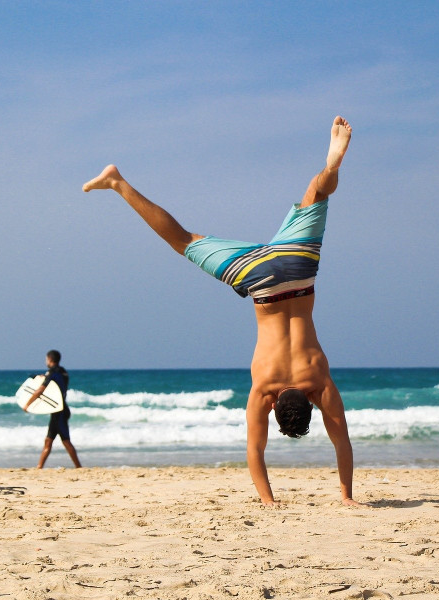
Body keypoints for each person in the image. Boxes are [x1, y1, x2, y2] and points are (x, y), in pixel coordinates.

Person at [82, 116, 361, 506]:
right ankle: (117, 182)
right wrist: (269, 500)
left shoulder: (319, 382)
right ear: (275, 407)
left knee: (318, 193)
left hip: (297, 268)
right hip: (259, 283)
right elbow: (256, 451)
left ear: (309, 403)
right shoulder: (265, 389)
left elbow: (343, 442)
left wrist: (348, 495)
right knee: (183, 240)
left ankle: (330, 167)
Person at [22, 349, 82, 469]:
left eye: (46, 359)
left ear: (49, 359)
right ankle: (39, 467)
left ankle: (79, 467)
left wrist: (28, 404)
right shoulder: (63, 372)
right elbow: (56, 384)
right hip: (60, 410)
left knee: (65, 440)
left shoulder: (52, 373)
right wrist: (43, 377)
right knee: (48, 440)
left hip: (59, 412)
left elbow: (41, 390)